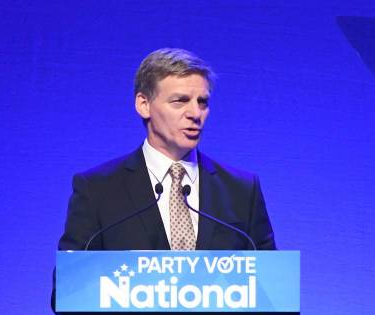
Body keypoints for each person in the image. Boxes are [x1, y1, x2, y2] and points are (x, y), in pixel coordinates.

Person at [58, 48, 275, 252]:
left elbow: (269, 284)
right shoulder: (97, 189)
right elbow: (71, 289)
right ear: (144, 105)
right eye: (180, 101)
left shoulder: (242, 190)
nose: (195, 113)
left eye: (202, 102)